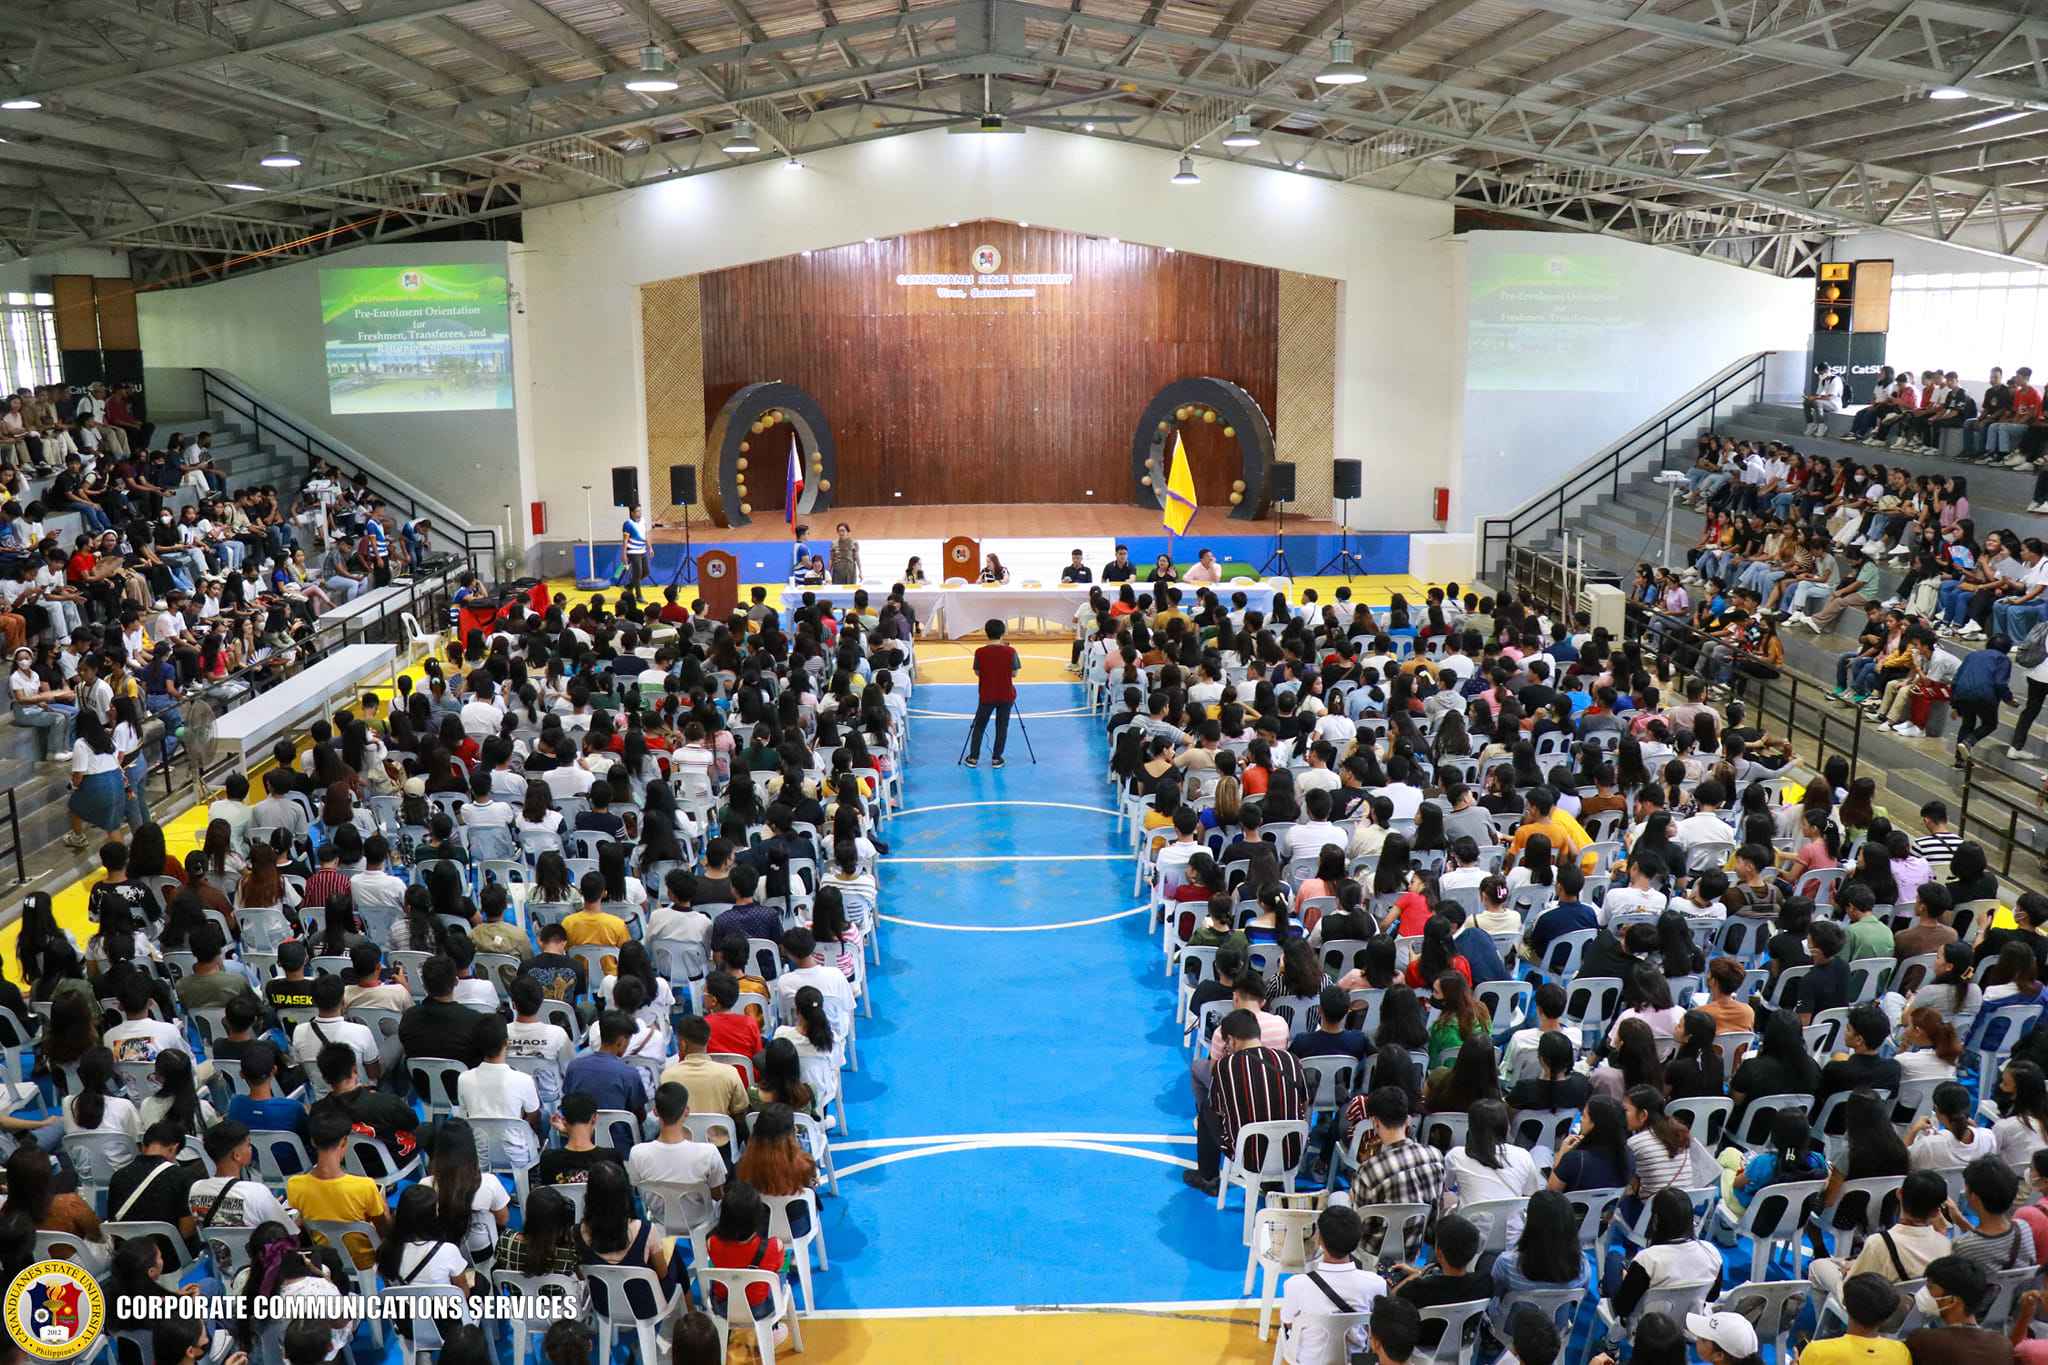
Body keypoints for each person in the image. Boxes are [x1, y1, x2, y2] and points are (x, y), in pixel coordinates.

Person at [1278, 1204, 1385, 1365]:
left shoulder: (1295, 1285)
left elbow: (1287, 1321)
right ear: (1357, 1241)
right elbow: (1376, 1328)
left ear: (1319, 1239)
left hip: (1309, 1361)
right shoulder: (1376, 1284)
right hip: (1356, 1360)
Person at [1904, 1256, 2012, 1365]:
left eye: (1930, 1288)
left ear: (1952, 1301)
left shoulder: (1923, 1341)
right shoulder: (2002, 1345)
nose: (1923, 1293)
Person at [964, 619, 1018, 768]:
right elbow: (1014, 673)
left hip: (987, 695)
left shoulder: (980, 652)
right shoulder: (1010, 651)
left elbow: (977, 671)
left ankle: (973, 758)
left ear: (986, 633)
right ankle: (996, 758)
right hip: (1006, 695)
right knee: (1002, 726)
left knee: (979, 726)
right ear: (1003, 633)